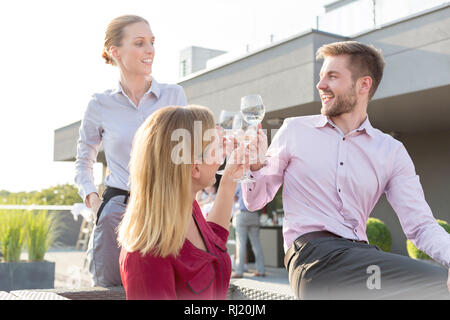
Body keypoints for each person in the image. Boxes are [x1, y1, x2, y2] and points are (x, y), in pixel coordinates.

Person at [243, 40, 450, 299]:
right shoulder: (294, 130)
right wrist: (253, 166)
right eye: (321, 77)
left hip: (362, 260)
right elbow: (254, 201)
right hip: (313, 259)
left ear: (364, 84)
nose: (320, 86)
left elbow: (420, 225)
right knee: (437, 283)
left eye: (332, 76)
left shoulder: (391, 151)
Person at [74, 15, 187, 287]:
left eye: (152, 42)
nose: (150, 50)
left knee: (167, 291)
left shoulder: (175, 97)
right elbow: (82, 162)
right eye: (139, 43)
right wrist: (95, 203)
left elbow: (186, 158)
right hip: (115, 212)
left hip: (166, 211)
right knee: (109, 291)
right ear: (115, 52)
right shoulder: (99, 104)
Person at [117, 105, 245, 300]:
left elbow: (213, 241)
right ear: (194, 168)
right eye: (217, 149)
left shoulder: (187, 210)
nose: (221, 159)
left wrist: (229, 180)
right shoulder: (146, 254)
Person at [231, 183, 265, 278]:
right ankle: (261, 270)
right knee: (256, 244)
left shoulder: (240, 182)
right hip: (254, 214)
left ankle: (239, 271)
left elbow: (233, 197)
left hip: (242, 215)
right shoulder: (257, 181)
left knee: (241, 244)